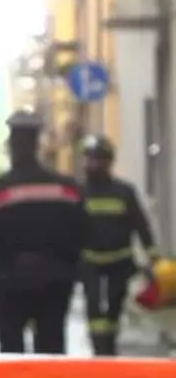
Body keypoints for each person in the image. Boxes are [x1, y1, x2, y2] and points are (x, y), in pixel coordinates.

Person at [0, 110, 86, 355]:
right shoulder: (66, 188)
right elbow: (82, 230)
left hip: (11, 279)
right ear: (38, 144)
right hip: (55, 279)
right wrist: (69, 266)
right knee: (51, 348)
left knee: (11, 352)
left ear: (11, 146)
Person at [79, 133, 160, 356]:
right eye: (89, 159)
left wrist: (153, 256)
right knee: (94, 307)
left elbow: (140, 224)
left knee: (113, 307)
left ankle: (109, 346)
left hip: (120, 262)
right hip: (90, 263)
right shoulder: (79, 193)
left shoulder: (124, 192)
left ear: (108, 161)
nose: (92, 164)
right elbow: (69, 228)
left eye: (97, 159)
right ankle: (100, 350)